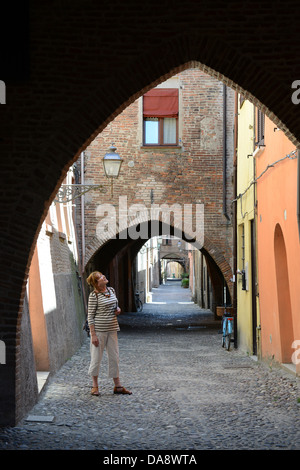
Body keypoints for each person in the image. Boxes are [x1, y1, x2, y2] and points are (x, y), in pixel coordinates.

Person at [86, 271, 132, 396]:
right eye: (100, 277)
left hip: (112, 329)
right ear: (96, 283)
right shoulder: (94, 296)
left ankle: (117, 386)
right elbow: (90, 316)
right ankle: (95, 386)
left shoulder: (111, 290)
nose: (104, 277)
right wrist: (93, 334)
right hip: (99, 331)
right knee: (96, 358)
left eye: (102, 275)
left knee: (114, 357)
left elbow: (116, 306)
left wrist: (118, 310)